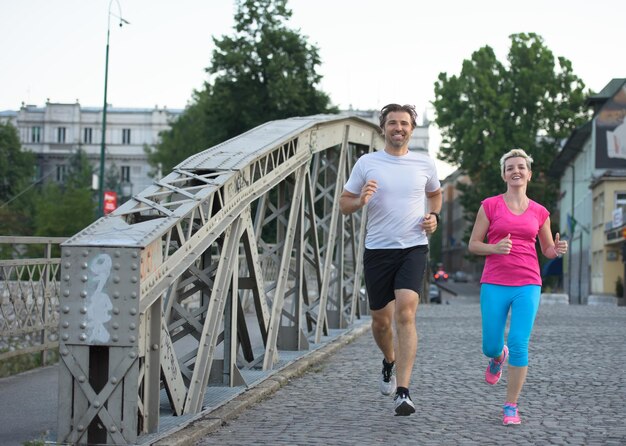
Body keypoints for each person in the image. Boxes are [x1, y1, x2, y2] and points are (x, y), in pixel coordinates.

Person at [339, 103, 442, 416]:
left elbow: (435, 194)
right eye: (393, 123)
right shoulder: (367, 163)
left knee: (406, 313)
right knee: (381, 321)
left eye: (405, 123)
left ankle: (404, 391)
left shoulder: (424, 163)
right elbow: (344, 204)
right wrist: (360, 200)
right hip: (378, 250)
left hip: (413, 247)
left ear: (412, 128)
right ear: (383, 128)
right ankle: (389, 361)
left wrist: (433, 216)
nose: (399, 128)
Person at [468, 148, 568, 425]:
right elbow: (473, 244)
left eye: (521, 167)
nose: (516, 171)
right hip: (494, 281)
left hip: (528, 282)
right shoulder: (490, 205)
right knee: (491, 344)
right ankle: (497, 357)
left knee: (519, 342)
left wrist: (556, 249)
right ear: (504, 174)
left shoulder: (540, 211)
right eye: (510, 167)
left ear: (529, 174)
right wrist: (494, 247)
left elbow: (546, 249)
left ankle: (511, 405)